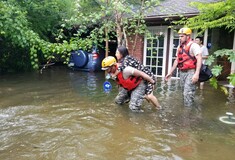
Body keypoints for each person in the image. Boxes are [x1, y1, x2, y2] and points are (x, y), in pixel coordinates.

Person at [165, 27, 202, 107]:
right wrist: (170, 72)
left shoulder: (194, 46)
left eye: (182, 36)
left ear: (188, 36)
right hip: (182, 72)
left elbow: (199, 59)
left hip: (191, 72)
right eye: (179, 36)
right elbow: (177, 60)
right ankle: (190, 107)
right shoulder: (179, 47)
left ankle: (188, 114)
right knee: (184, 92)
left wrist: (196, 74)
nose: (180, 38)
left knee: (187, 93)